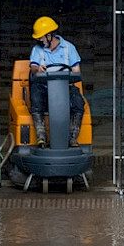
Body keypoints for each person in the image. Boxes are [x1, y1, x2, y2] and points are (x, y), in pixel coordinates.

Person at [29, 16, 85, 148]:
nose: (40, 40)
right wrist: (38, 68)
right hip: (44, 87)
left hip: (65, 87)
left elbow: (76, 70)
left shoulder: (68, 48)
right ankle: (41, 136)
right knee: (36, 96)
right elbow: (33, 68)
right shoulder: (37, 50)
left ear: (50, 35)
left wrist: (71, 73)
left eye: (41, 37)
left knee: (78, 102)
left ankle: (72, 137)